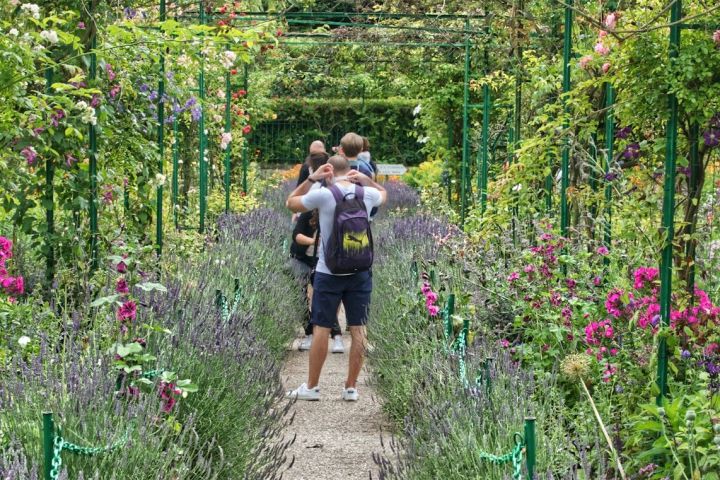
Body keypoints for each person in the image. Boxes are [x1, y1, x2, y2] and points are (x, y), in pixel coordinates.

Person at [285, 146, 387, 402]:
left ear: (329, 170)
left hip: (328, 270)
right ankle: (351, 388)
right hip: (360, 269)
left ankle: (312, 386)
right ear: (349, 170)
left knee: (321, 326)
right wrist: (367, 180)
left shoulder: (323, 193)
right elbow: (384, 194)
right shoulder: (367, 194)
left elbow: (291, 203)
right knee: (358, 328)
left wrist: (312, 178)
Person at [290, 209, 344, 353]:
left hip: (324, 261)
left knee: (324, 298)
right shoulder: (308, 214)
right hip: (302, 259)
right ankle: (309, 332)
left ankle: (336, 336)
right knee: (298, 297)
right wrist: (314, 241)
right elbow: (296, 235)